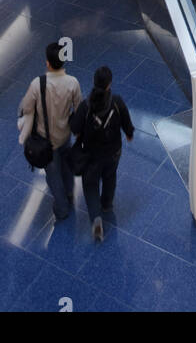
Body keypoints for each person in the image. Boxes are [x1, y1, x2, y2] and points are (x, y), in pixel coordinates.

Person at [69, 65, 134, 242]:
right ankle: (107, 205)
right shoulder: (117, 102)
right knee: (110, 177)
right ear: (109, 84)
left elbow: (74, 129)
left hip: (91, 156)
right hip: (113, 153)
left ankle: (96, 219)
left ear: (94, 82)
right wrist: (128, 134)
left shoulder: (85, 106)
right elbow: (128, 128)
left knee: (90, 185)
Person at [18, 42, 82, 221]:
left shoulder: (37, 84)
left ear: (47, 63)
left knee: (54, 177)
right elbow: (78, 109)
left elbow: (26, 107)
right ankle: (70, 194)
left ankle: (61, 209)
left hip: (46, 141)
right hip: (65, 135)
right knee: (67, 167)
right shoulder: (73, 83)